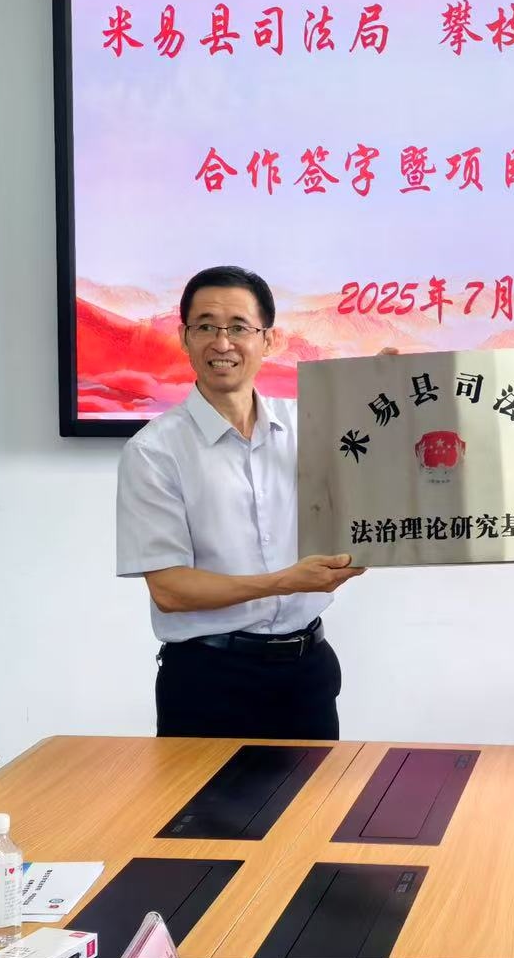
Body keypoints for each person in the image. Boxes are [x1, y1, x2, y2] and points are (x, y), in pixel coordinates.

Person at [116, 265, 363, 739]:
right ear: (184, 338)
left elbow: (382, 462)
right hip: (209, 680)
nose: (222, 342)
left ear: (268, 340)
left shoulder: (310, 427)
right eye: (206, 326)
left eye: (239, 327)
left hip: (307, 672)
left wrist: (390, 385)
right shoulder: (154, 451)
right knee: (206, 795)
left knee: (317, 793)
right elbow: (169, 590)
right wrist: (284, 581)